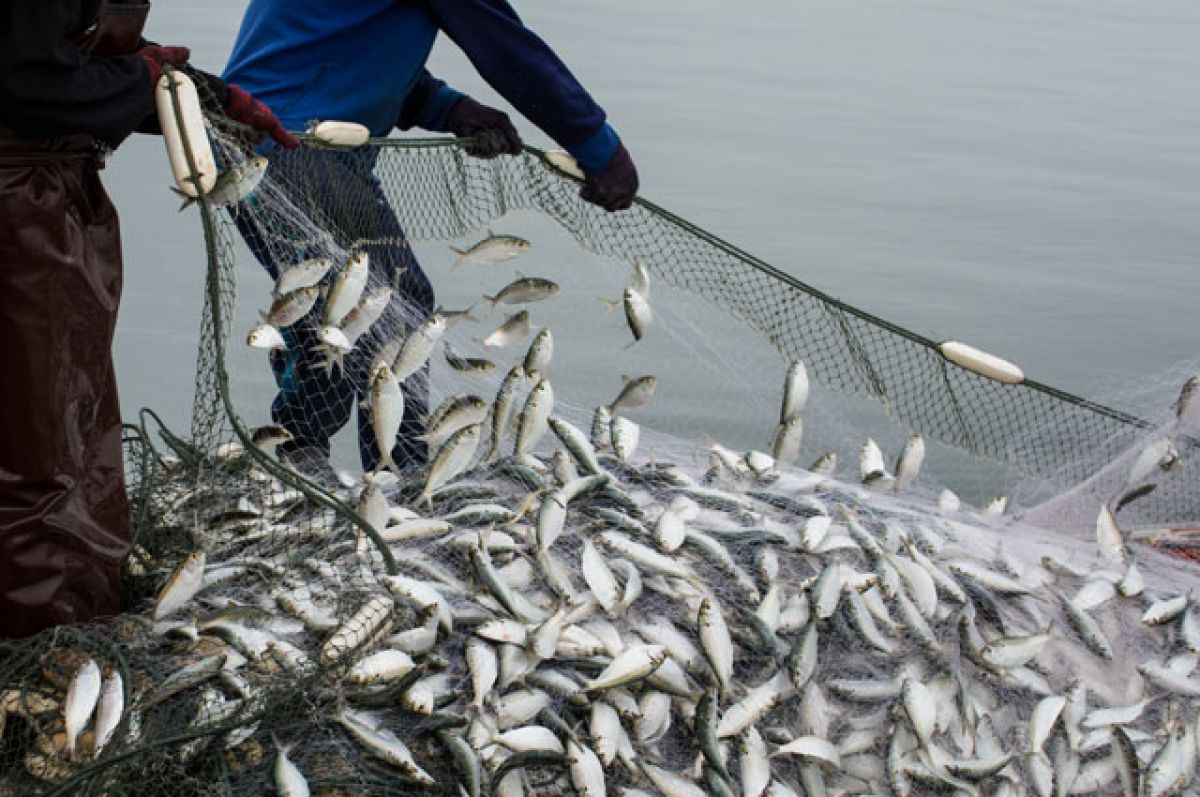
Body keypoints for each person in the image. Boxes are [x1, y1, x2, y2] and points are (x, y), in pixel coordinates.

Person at [223, 0, 640, 483]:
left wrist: (450, 108)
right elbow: (509, 54)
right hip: (287, 145)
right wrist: (599, 147)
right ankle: (319, 461)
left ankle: (388, 466)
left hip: (297, 140)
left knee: (387, 301)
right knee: (350, 305)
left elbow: (346, 43)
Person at [0, 0, 296, 638]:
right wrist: (146, 80)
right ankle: (46, 643)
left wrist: (203, 96)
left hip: (43, 195)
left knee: (65, 424)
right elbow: (27, 85)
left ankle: (71, 613)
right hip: (16, 212)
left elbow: (60, 54)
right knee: (37, 445)